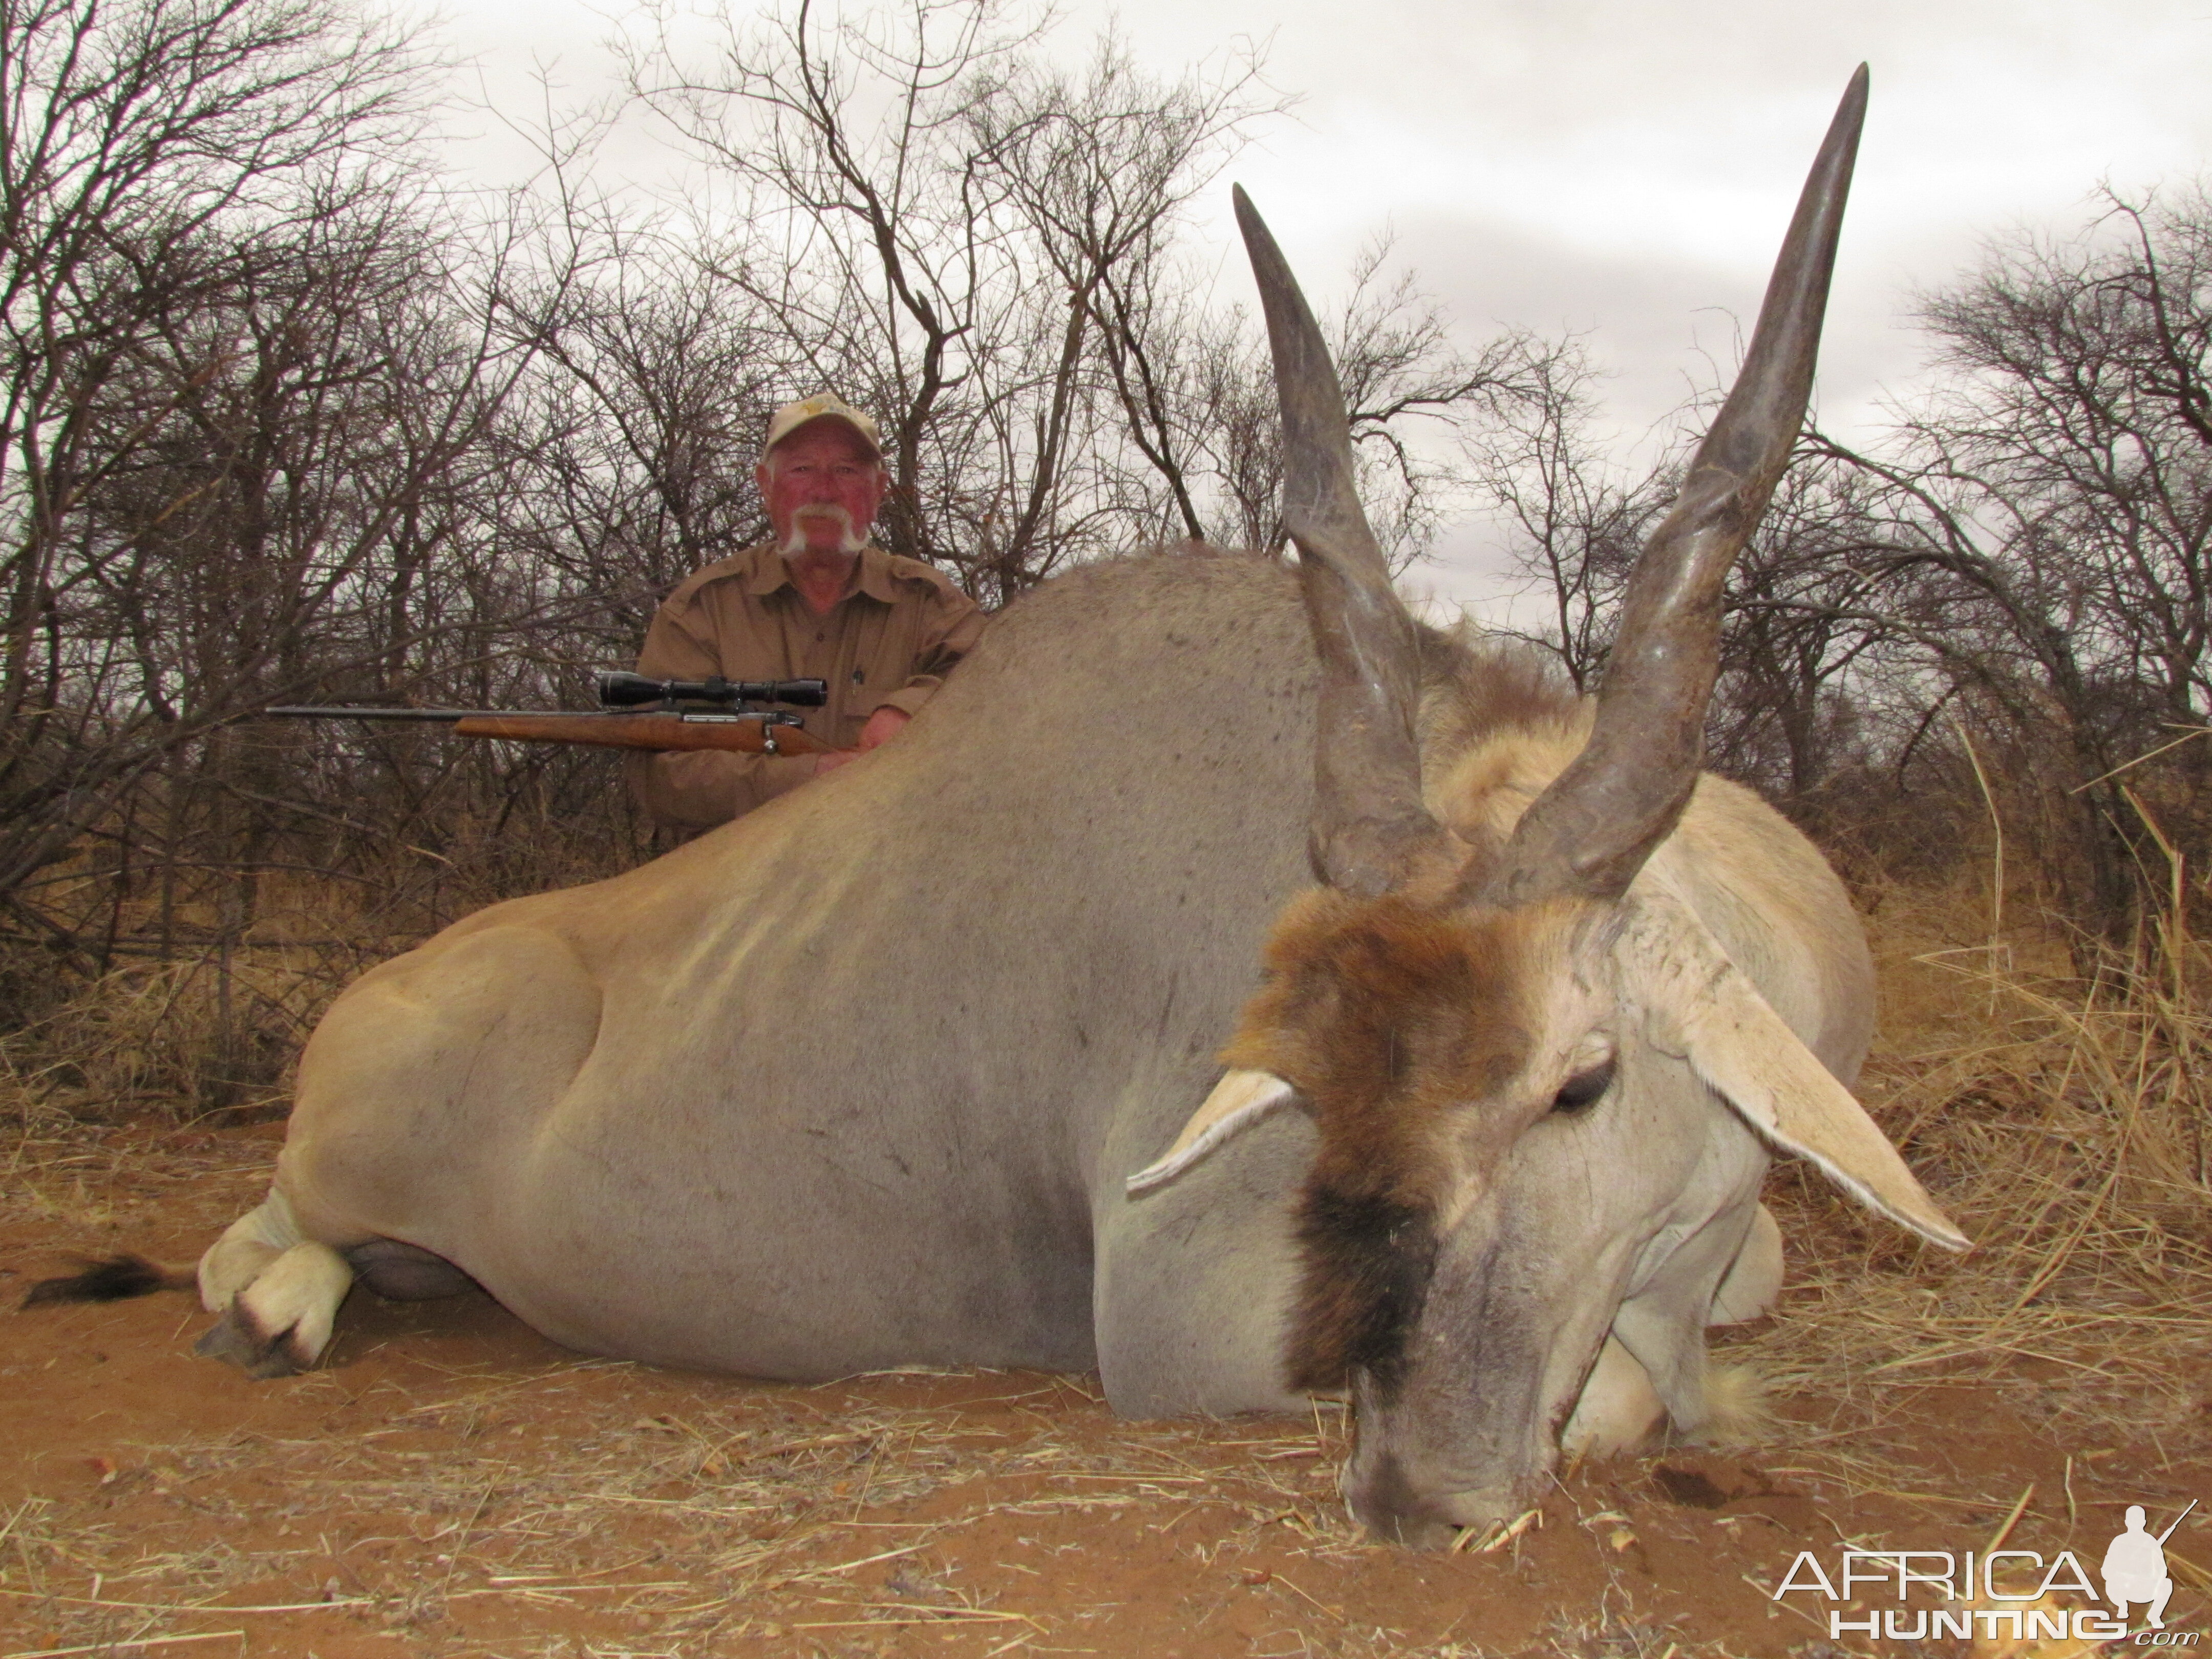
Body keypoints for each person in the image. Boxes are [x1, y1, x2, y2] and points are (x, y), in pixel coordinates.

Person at [625, 395, 986, 834]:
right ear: (765, 485)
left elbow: (994, 677)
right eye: (802, 469)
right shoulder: (703, 607)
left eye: (847, 471)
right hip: (736, 882)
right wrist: (812, 776)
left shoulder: (931, 602)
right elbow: (663, 777)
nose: (824, 490)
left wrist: (911, 709)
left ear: (878, 492)